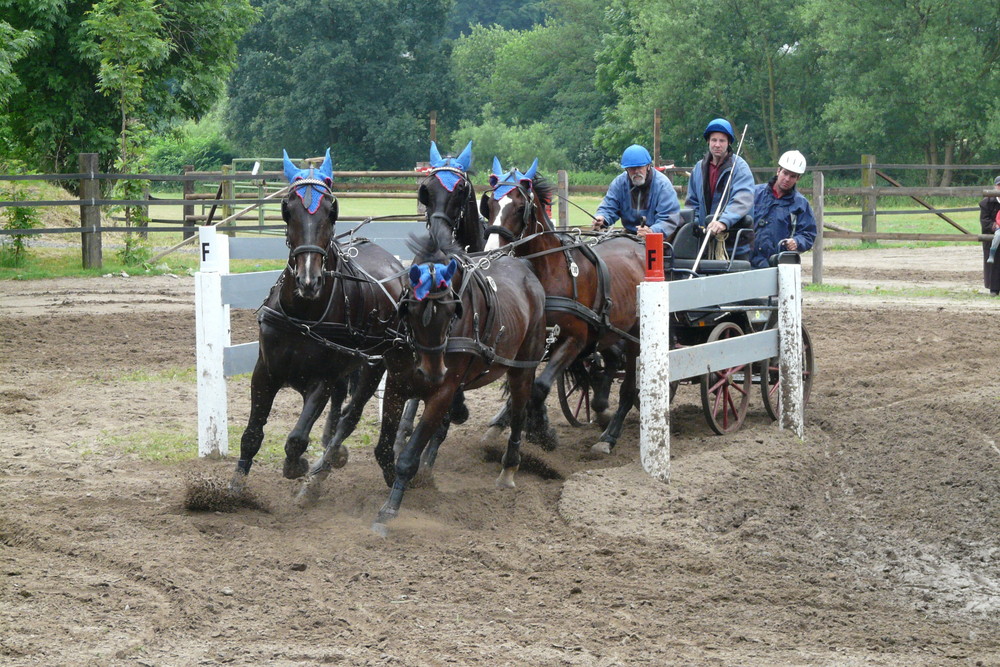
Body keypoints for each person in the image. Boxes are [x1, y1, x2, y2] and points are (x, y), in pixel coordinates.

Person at [685, 118, 755, 260]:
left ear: (729, 142)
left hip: (735, 243)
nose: (717, 145)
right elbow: (692, 203)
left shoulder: (740, 168)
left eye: (722, 141)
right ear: (708, 142)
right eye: (714, 140)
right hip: (705, 242)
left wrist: (724, 221)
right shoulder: (698, 168)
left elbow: (742, 199)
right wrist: (697, 227)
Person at [592, 144, 681, 238]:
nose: (636, 171)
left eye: (639, 167)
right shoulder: (619, 183)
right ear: (626, 169)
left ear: (648, 166)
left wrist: (652, 231)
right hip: (630, 234)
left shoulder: (662, 185)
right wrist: (602, 217)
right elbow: (609, 206)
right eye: (632, 168)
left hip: (659, 236)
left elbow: (668, 218)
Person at [749, 150, 818, 268]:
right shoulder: (754, 194)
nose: (787, 179)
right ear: (778, 171)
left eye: (792, 176)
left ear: (798, 179)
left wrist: (797, 241)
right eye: (785, 173)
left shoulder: (800, 204)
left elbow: (808, 234)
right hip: (748, 260)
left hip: (778, 263)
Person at [979, 175, 1000, 296]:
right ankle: (994, 288)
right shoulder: (986, 202)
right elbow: (984, 220)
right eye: (999, 185)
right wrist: (995, 227)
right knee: (993, 262)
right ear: (995, 186)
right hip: (993, 236)